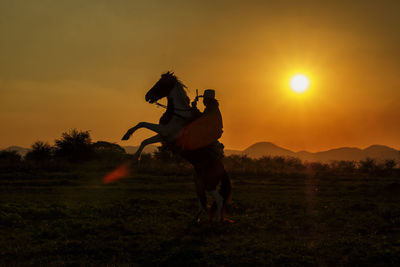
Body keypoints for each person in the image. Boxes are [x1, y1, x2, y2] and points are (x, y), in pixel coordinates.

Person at [176, 89, 224, 154]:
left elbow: (202, 118)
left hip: (213, 131)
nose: (203, 101)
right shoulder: (212, 107)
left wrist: (194, 108)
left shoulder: (211, 108)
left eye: (204, 99)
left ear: (208, 100)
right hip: (213, 130)